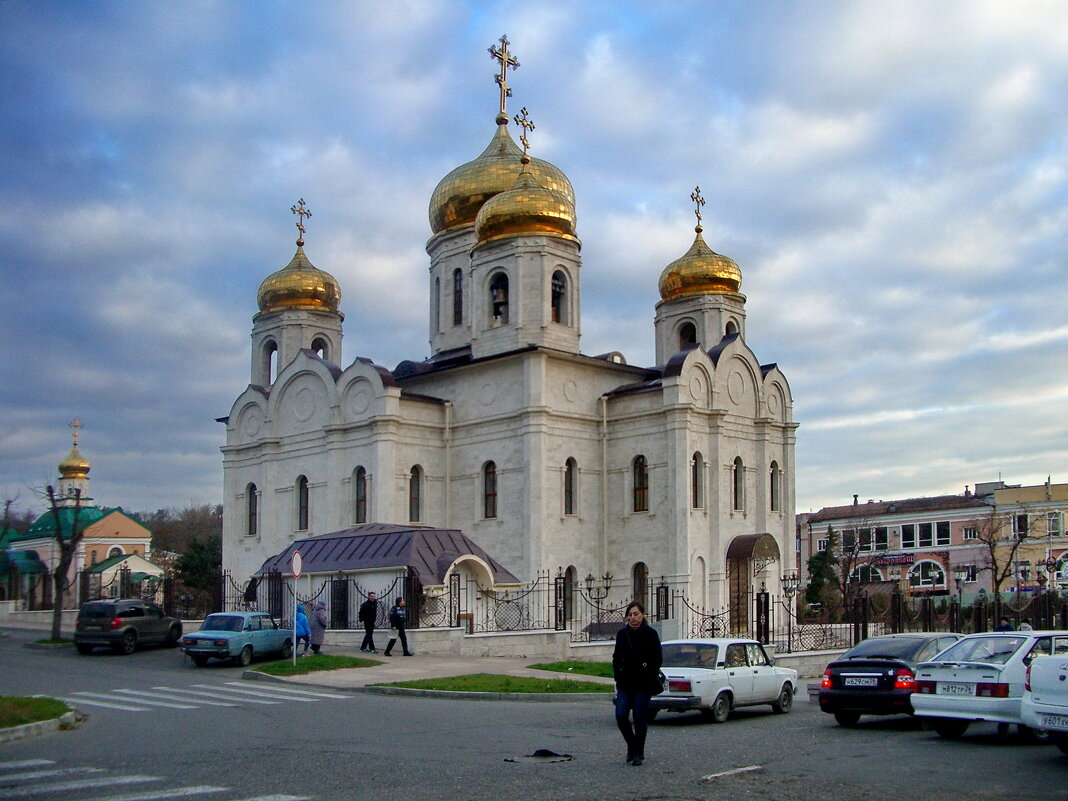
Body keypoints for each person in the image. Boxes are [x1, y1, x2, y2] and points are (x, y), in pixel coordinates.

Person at [612, 600, 662, 767]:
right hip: (625, 682)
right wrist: (617, 676)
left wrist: (649, 675)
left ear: (643, 615)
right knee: (620, 715)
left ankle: (638, 753)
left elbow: (657, 659)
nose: (633, 618)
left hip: (644, 683)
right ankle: (631, 745)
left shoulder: (651, 634)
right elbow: (616, 657)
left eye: (636, 614)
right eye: (630, 615)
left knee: (639, 717)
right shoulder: (622, 634)